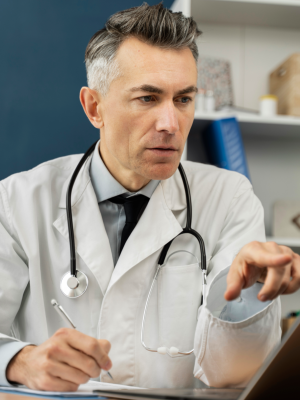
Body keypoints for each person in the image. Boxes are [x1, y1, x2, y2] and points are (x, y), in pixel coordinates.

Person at [0, 2, 300, 392]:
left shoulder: (229, 198)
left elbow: (235, 377)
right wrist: (20, 362)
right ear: (95, 107)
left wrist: (244, 298)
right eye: (147, 98)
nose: (170, 124)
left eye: (183, 99)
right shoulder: (18, 201)